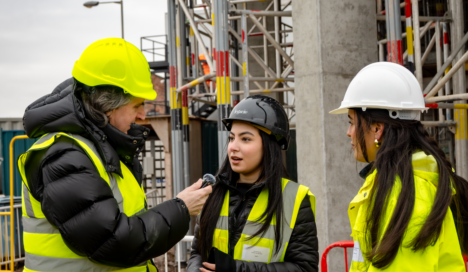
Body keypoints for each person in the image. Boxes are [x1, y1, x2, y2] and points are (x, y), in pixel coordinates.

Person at [18, 38, 212, 272]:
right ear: (107, 107)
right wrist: (181, 208)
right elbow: (112, 241)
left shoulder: (101, 148)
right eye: (136, 105)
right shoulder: (63, 156)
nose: (142, 115)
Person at [330, 62, 468, 271]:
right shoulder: (406, 184)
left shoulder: (406, 195)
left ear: (377, 129)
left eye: (351, 122)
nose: (349, 132)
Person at [187, 95, 319, 272]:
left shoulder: (294, 200)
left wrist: (237, 269)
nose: (233, 146)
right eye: (232, 138)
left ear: (269, 145)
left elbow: (304, 267)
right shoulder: (213, 192)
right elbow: (197, 252)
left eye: (245, 139)